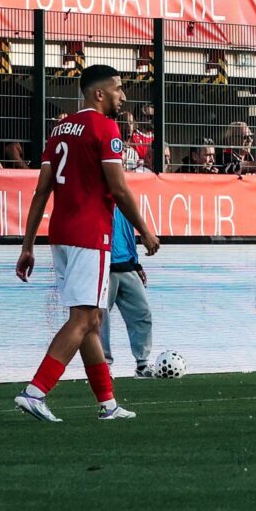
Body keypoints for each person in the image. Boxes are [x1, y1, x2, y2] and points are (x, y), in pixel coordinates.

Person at [13, 65, 160, 424]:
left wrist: (28, 245)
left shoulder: (60, 129)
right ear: (99, 93)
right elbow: (118, 188)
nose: (122, 96)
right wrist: (144, 230)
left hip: (61, 234)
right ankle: (35, 392)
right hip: (90, 235)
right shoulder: (105, 128)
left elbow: (42, 191)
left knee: (92, 320)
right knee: (82, 319)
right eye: (118, 89)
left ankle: (108, 404)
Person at [101, 143, 156, 379]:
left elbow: (126, 232)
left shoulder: (123, 195)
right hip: (103, 265)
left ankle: (142, 364)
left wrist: (135, 263)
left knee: (142, 313)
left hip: (126, 265)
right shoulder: (101, 194)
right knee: (100, 319)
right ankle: (103, 367)